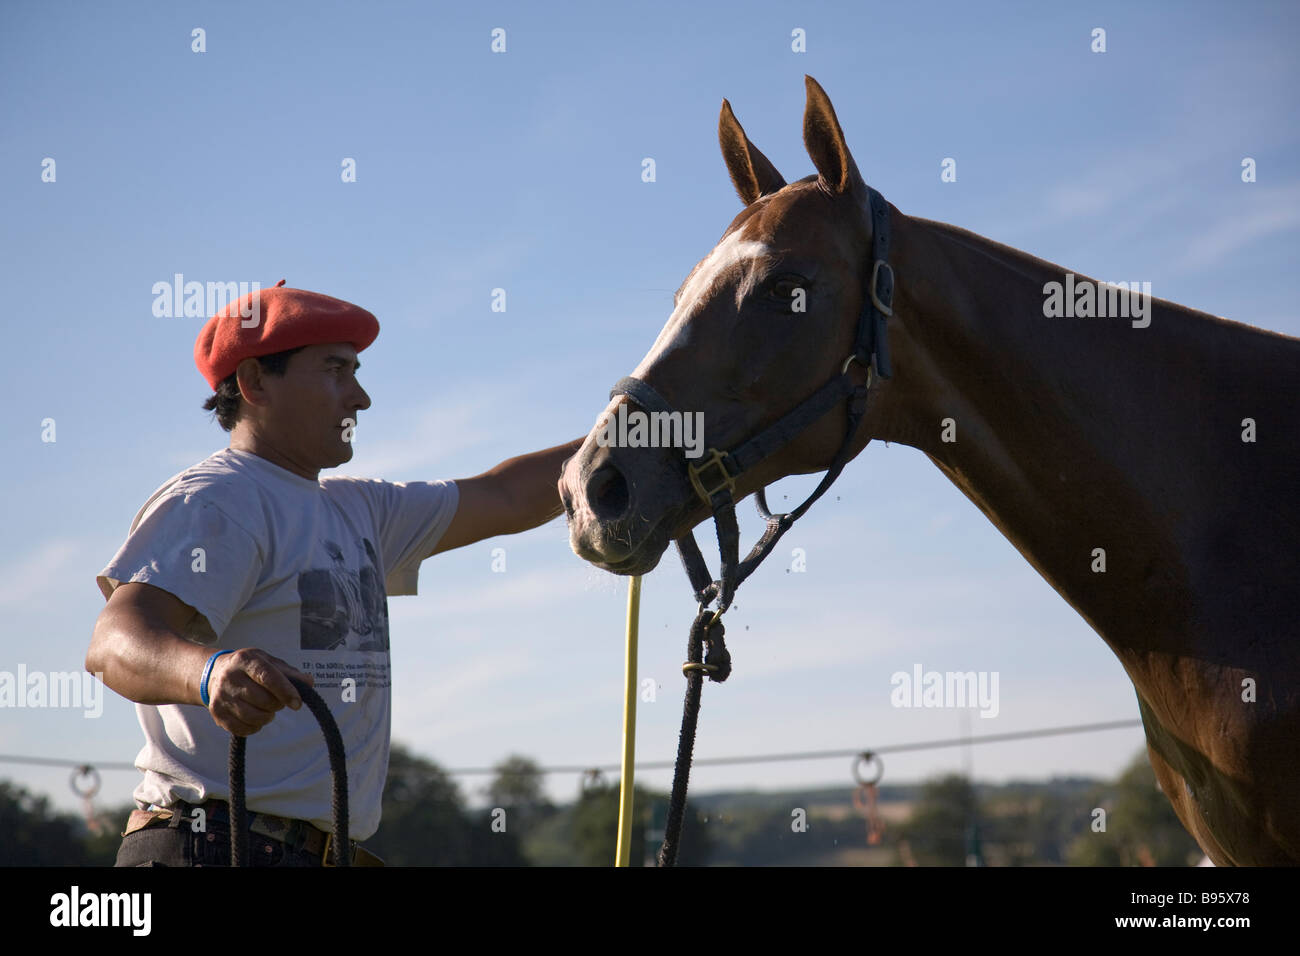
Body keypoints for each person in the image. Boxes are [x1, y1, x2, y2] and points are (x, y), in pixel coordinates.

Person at [87, 281, 582, 866]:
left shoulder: (359, 509)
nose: (361, 397)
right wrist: (210, 671)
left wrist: (639, 430)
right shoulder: (219, 499)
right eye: (335, 370)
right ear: (254, 383)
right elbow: (113, 644)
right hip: (212, 847)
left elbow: (504, 496)